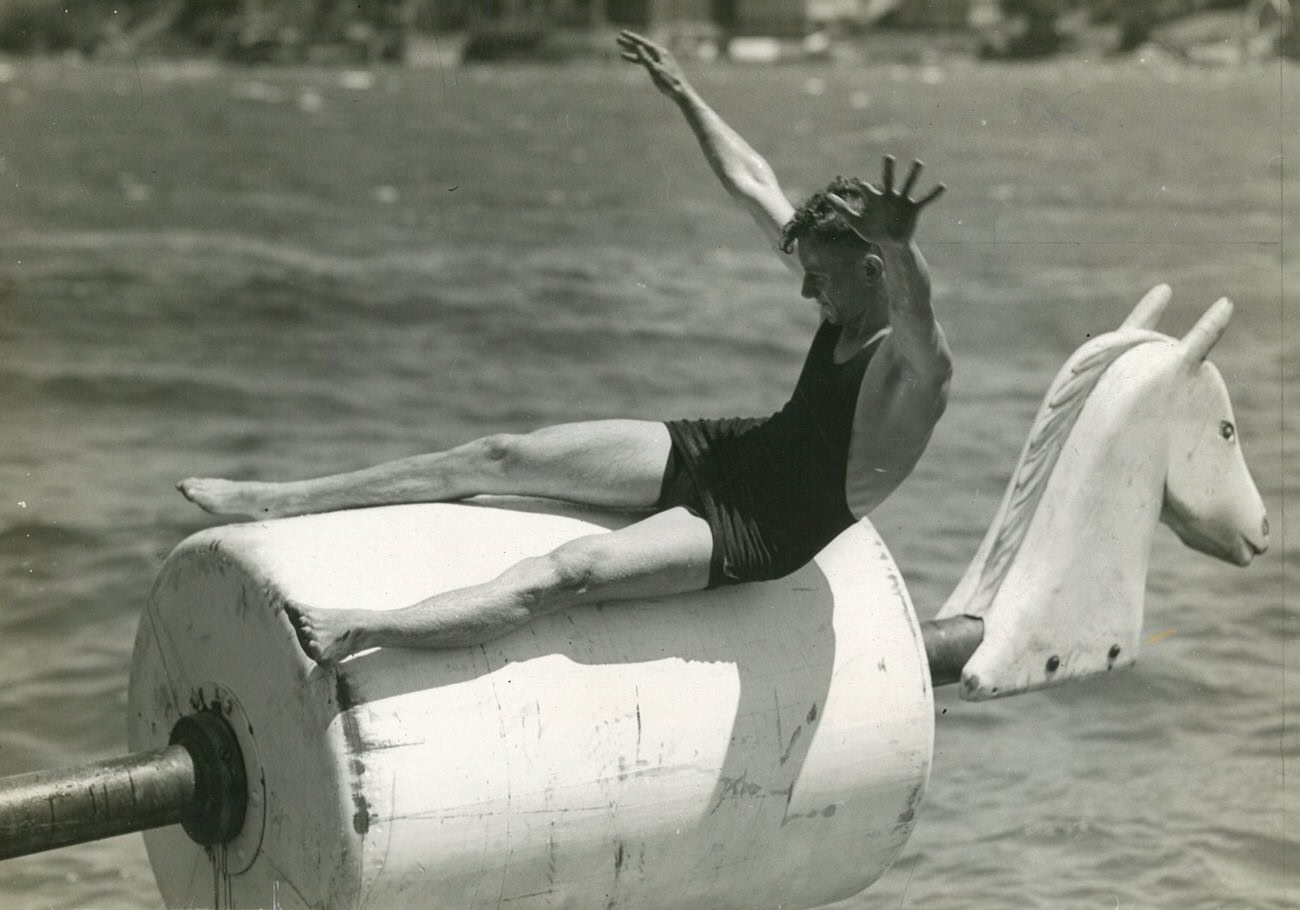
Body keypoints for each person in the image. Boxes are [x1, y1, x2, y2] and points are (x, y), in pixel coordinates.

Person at [177, 31, 952, 664]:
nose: (805, 292)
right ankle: (278, 499)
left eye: (820, 278)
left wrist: (905, 246)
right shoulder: (846, 294)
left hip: (770, 524)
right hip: (740, 451)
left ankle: (364, 628)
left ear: (875, 266)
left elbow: (927, 339)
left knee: (567, 573)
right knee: (502, 454)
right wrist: (683, 94)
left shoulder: (906, 374)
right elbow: (753, 182)